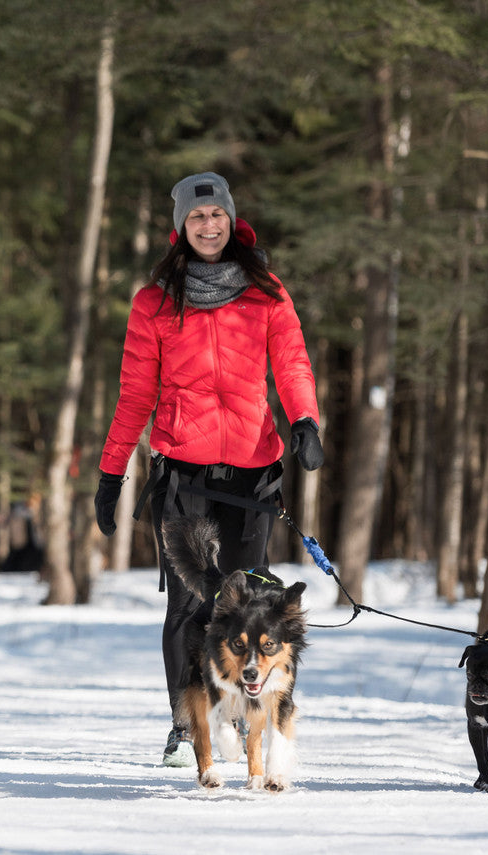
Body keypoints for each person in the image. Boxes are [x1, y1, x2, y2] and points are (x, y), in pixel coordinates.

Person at [93, 172, 323, 767]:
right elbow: (135, 393)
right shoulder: (155, 302)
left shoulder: (265, 291)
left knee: (250, 604)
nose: (208, 225)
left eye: (216, 215)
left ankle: (249, 723)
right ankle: (187, 724)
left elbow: (292, 361)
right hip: (183, 472)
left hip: (253, 470)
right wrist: (112, 472)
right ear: (180, 227)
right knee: (190, 608)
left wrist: (304, 421)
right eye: (196, 218)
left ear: (230, 219)